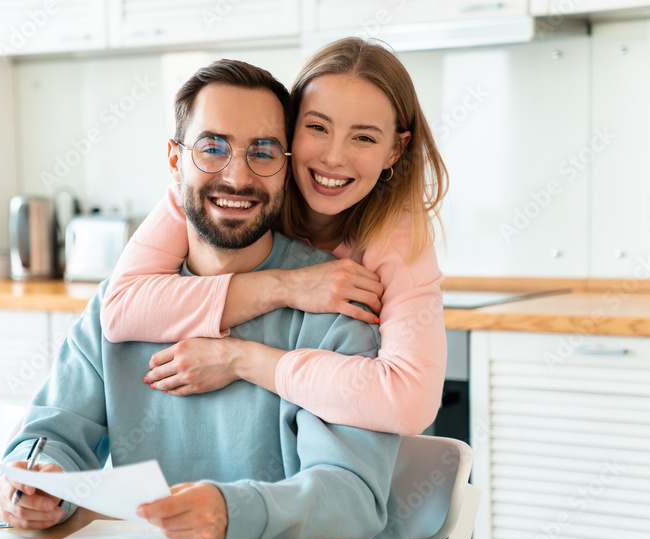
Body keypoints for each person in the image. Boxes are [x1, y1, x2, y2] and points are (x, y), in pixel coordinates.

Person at [0, 59, 406, 539]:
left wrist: (234, 513)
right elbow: (52, 434)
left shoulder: (334, 304)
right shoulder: (121, 305)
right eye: (212, 148)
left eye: (263, 151)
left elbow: (352, 495)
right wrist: (36, 482)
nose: (237, 176)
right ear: (175, 160)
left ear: (287, 164)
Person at [100, 37, 449, 435]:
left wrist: (239, 360)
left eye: (364, 137)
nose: (334, 157)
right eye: (317, 127)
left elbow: (409, 404)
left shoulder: (397, 238)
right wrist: (288, 286)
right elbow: (121, 308)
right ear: (288, 129)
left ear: (394, 151)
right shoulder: (236, 193)